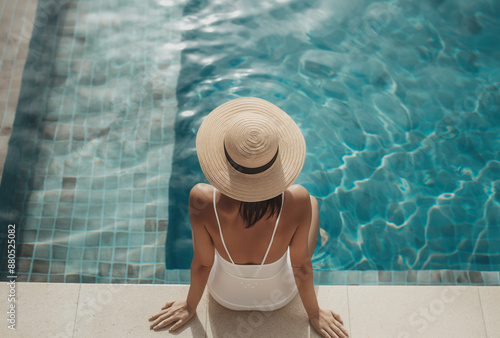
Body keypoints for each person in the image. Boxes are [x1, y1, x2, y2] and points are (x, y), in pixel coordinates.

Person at [149, 97, 349, 338]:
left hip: (225, 296)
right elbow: (301, 265)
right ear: (275, 164)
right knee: (312, 203)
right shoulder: (296, 199)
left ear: (223, 161)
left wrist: (190, 305)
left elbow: (203, 263)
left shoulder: (201, 197)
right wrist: (314, 313)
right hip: (278, 297)